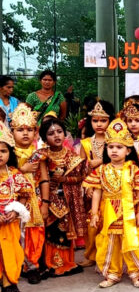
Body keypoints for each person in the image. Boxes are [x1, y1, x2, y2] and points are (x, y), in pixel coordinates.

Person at [84, 119, 139, 288]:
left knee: (132, 242)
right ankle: (113, 273)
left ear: (128, 151)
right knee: (110, 243)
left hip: (129, 212)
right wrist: (94, 214)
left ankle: (135, 273)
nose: (114, 150)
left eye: (119, 147)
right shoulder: (101, 170)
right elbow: (97, 192)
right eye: (111, 147)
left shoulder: (134, 170)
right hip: (108, 213)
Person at [39, 118, 85, 277]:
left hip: (65, 200)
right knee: (48, 232)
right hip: (45, 200)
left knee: (64, 232)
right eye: (51, 133)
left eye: (59, 132)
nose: (56, 135)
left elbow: (81, 177)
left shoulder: (72, 156)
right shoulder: (41, 156)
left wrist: (65, 179)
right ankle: (48, 262)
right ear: (44, 138)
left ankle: (64, 262)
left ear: (65, 134)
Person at [11, 104, 46, 284]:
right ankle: (13, 266)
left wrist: (46, 202)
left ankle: (32, 266)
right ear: (12, 132)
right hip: (12, 200)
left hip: (34, 199)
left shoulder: (38, 153)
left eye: (29, 130)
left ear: (35, 132)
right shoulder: (7, 152)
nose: (25, 133)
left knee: (33, 233)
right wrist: (21, 169)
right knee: (14, 232)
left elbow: (44, 179)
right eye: (20, 130)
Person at [0, 122, 35, 292]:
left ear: (10, 153)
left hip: (9, 223)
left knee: (11, 253)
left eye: (3, 151)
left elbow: (25, 194)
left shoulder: (14, 174)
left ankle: (9, 285)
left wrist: (15, 210)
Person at [79, 100, 115, 267]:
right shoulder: (86, 143)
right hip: (93, 187)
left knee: (110, 221)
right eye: (95, 120)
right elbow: (81, 167)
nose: (99, 124)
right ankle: (91, 254)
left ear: (110, 121)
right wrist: (87, 185)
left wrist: (100, 161)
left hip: (112, 186)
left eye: (103, 120)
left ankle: (109, 255)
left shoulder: (115, 141)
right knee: (92, 222)